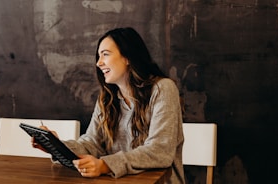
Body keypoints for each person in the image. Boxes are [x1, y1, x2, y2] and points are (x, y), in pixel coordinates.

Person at [32, 27, 185, 184]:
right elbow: (92, 144)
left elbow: (160, 151)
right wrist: (57, 147)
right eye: (98, 56)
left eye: (105, 54)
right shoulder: (107, 99)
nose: (98, 63)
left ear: (128, 57)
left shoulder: (163, 89)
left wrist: (105, 165)